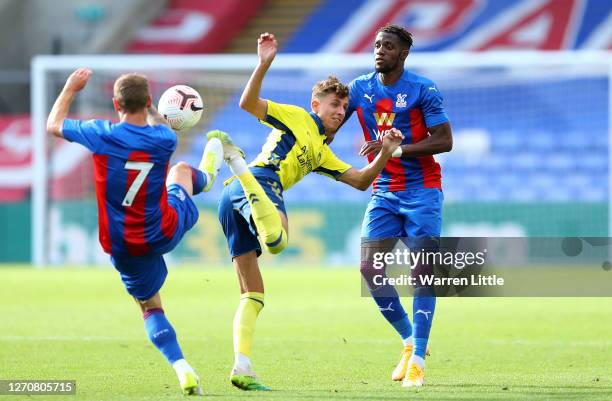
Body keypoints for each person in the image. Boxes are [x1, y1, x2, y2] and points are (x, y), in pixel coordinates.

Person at [208, 32, 404, 391]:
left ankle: (242, 367)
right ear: (316, 104)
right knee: (280, 242)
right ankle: (238, 166)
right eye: (333, 106)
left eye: (343, 109)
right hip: (259, 181)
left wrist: (386, 153)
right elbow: (247, 103)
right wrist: (264, 63)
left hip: (237, 197)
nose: (339, 112)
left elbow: (361, 181)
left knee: (253, 293)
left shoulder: (322, 151)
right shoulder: (297, 117)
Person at [46, 68, 224, 396]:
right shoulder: (165, 139)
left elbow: (53, 125)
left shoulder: (101, 134)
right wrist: (158, 110)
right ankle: (207, 180)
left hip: (123, 244)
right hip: (163, 228)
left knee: (151, 307)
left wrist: (71, 88)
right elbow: (158, 123)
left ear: (116, 103)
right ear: (148, 102)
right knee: (182, 171)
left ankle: (182, 367)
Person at [344, 23, 453, 387]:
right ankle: (408, 342)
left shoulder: (423, 89)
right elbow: (329, 122)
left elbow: (445, 140)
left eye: (388, 46)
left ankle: (419, 358)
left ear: (403, 53)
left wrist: (398, 149)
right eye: (376, 45)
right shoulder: (360, 89)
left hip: (423, 190)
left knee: (422, 272)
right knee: (369, 269)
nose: (380, 51)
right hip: (385, 190)